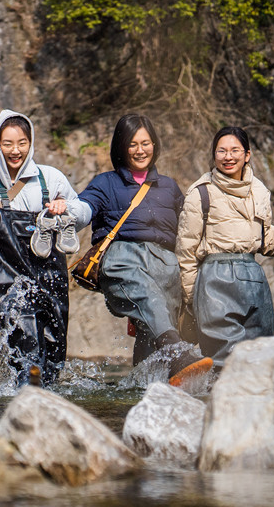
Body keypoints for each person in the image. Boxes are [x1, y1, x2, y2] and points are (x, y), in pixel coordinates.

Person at [0, 109, 90, 386]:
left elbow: (83, 212)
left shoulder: (50, 178)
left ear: (31, 142)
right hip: (3, 274)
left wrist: (66, 208)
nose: (15, 150)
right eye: (7, 143)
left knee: (54, 344)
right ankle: (28, 390)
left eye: (22, 143)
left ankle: (39, 395)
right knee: (22, 333)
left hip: (49, 271)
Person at [78, 114, 212, 386]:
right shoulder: (105, 183)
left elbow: (191, 226)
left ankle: (141, 392)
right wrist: (68, 211)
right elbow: (84, 208)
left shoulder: (169, 187)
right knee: (151, 303)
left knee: (153, 332)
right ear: (120, 147)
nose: (140, 150)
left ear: (155, 145)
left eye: (146, 143)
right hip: (123, 258)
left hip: (165, 265)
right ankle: (177, 353)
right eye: (132, 144)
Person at [176, 126, 274, 365]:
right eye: (221, 151)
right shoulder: (200, 194)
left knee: (258, 360)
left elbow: (266, 239)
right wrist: (192, 299)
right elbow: (186, 253)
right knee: (222, 362)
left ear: (247, 154)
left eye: (235, 150)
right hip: (214, 283)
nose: (228, 156)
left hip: (254, 283)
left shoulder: (259, 191)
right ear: (214, 155)